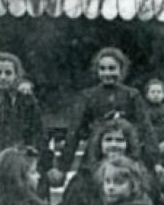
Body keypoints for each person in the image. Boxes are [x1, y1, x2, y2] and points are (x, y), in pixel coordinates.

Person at [62, 47, 158, 180]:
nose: (107, 73)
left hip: (126, 152)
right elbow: (74, 131)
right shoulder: (88, 96)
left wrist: (156, 161)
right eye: (103, 69)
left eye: (112, 68)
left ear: (121, 69)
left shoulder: (132, 95)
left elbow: (146, 129)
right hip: (95, 154)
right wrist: (63, 167)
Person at [0, 52, 48, 195]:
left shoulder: (27, 102)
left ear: (16, 75)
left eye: (8, 73)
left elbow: (38, 132)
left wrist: (30, 154)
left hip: (19, 160)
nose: (3, 77)